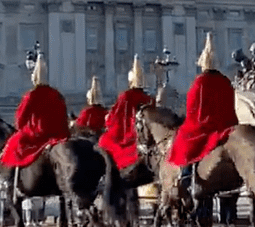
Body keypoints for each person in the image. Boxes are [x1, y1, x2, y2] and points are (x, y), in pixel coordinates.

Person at [167, 33, 239, 167]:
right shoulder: (225, 81)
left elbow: (193, 111)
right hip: (228, 126)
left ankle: (186, 174)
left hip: (205, 128)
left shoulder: (200, 82)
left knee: (182, 143)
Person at [0, 53, 71, 168]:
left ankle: (10, 178)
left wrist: (22, 130)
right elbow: (64, 118)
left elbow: (20, 120)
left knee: (12, 144)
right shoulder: (57, 95)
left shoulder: (31, 96)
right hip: (58, 135)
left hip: (36, 135)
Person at [98, 56, 155, 170]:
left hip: (126, 135)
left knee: (103, 142)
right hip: (143, 137)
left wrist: (108, 119)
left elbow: (115, 119)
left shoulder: (125, 96)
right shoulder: (149, 98)